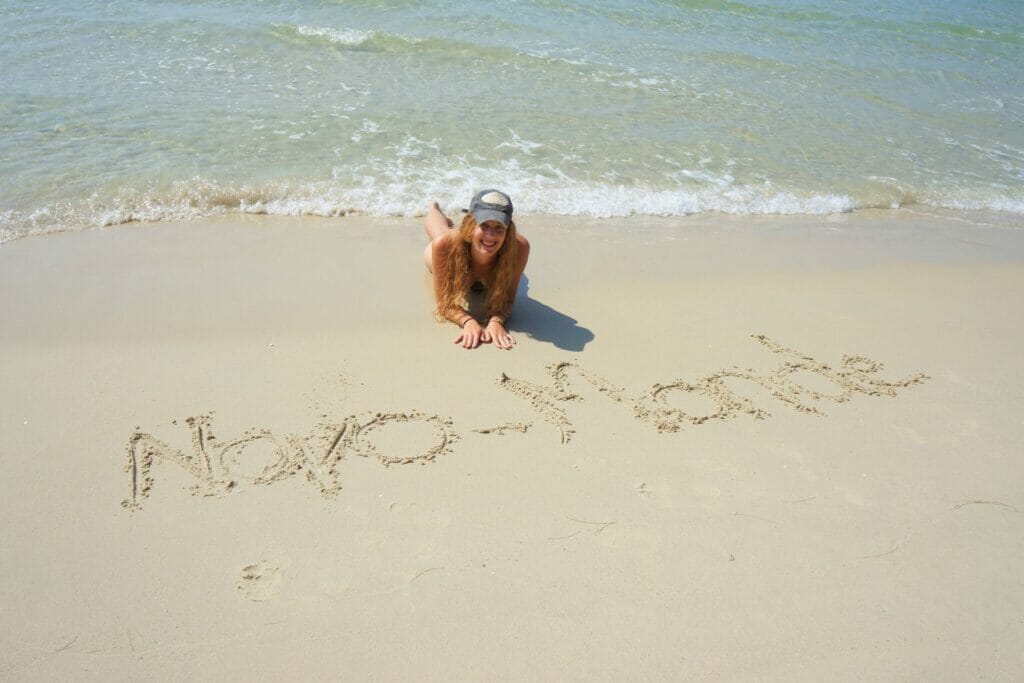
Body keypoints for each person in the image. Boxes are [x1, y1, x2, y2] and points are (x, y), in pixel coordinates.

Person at [423, 189, 530, 350]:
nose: (490, 235)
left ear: (509, 229)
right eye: (484, 225)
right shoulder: (445, 245)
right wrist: (468, 321)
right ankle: (434, 208)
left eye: (499, 227)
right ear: (470, 224)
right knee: (441, 232)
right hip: (448, 257)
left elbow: (508, 300)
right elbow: (444, 304)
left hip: (486, 267)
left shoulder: (519, 247)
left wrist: (496, 321)